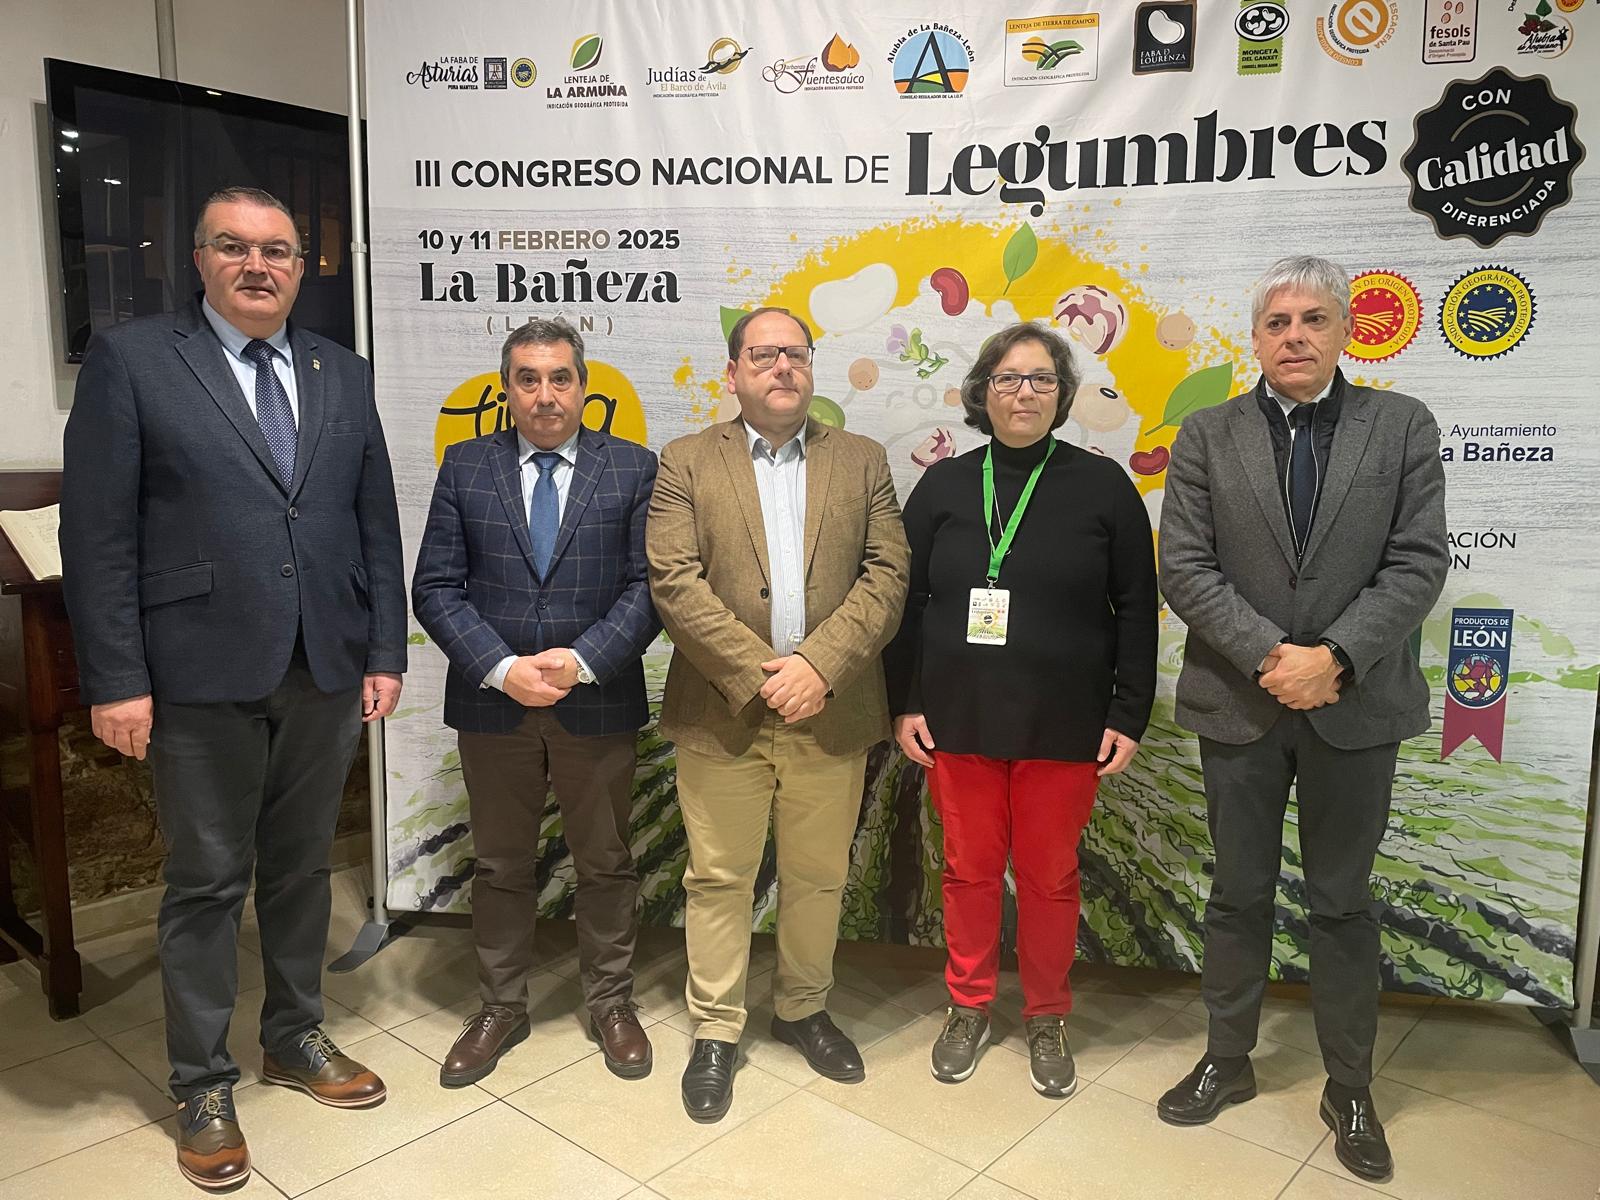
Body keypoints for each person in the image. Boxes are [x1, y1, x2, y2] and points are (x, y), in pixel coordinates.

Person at [59, 186, 407, 1191]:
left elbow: (371, 520)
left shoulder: (342, 372)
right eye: (236, 247)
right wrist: (115, 679)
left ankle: (294, 1039)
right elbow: (98, 538)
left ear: (304, 266)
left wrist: (383, 648)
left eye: (280, 252)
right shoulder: (133, 362)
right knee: (207, 883)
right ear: (199, 257)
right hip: (193, 673)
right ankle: (201, 1082)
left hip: (325, 666)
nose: (260, 266)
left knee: (301, 874)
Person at [1156, 255, 1447, 1181]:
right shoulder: (1205, 434)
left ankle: (1349, 1086)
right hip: (1240, 703)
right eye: (1277, 321)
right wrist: (1276, 659)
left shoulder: (1400, 426)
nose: (1294, 336)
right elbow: (1186, 567)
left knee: (1342, 903)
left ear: (1345, 330)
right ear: (1254, 338)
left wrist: (1337, 658)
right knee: (1237, 893)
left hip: (1355, 706)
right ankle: (1228, 1061)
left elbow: (1417, 562)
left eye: (1313, 319)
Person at [646, 306, 909, 1122]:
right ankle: (717, 1029)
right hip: (724, 711)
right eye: (762, 355)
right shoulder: (686, 462)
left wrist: (818, 668)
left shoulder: (861, 461)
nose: (780, 367)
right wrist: (766, 676)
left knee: (818, 876)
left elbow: (887, 576)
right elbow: (675, 582)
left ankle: (802, 1008)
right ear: (733, 373)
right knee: (719, 879)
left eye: (793, 353)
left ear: (811, 366)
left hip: (828, 711)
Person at [883, 322, 1157, 1099]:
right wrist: (906, 703)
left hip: (1064, 723)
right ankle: (968, 1005)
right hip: (958, 718)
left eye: (1040, 379)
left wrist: (1128, 712)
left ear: (1062, 396)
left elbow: (1138, 607)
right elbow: (908, 605)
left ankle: (1046, 1013)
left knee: (1048, 877)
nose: (1024, 392)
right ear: (982, 393)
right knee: (969, 873)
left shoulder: (1103, 487)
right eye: (1007, 379)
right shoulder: (942, 486)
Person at [412, 318, 660, 1086]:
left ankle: (612, 1003)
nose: (545, 394)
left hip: (597, 702)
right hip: (496, 709)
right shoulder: (465, 467)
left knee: (607, 864)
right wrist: (500, 666)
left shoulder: (633, 469)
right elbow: (436, 588)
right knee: (499, 866)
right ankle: (500, 1007)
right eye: (528, 378)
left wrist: (585, 660)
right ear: (507, 389)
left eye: (560, 378)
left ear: (584, 387)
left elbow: (648, 588)